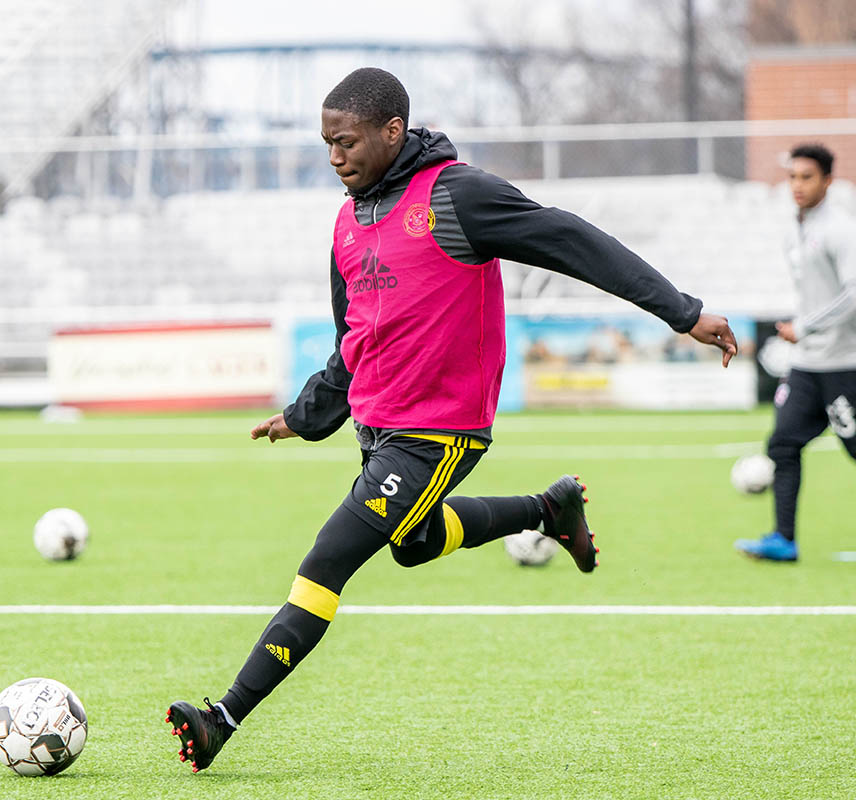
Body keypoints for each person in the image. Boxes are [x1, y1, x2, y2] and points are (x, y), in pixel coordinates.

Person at [164, 67, 737, 772]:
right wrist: (305, 415)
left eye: (345, 141)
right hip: (376, 427)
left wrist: (684, 312)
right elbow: (355, 341)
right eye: (326, 144)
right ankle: (548, 509)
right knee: (415, 542)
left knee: (326, 562)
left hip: (439, 428)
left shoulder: (456, 196)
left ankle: (222, 716)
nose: (335, 156)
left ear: (392, 131)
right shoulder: (348, 222)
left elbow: (575, 243)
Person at [735, 143, 856, 562]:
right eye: (792, 177)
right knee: (783, 444)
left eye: (807, 177)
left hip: (845, 364)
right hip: (807, 365)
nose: (797, 186)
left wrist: (806, 325)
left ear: (827, 180)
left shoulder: (841, 228)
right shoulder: (795, 228)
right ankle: (783, 539)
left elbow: (854, 292)